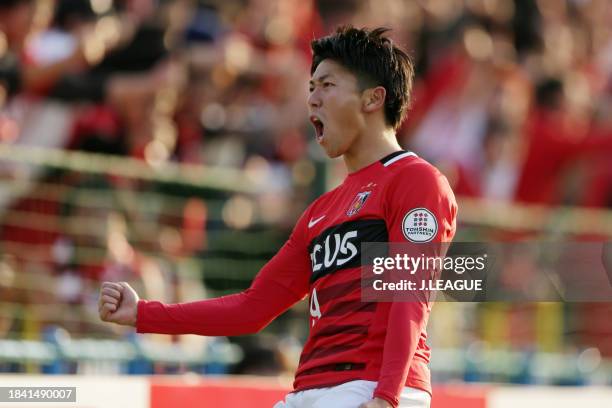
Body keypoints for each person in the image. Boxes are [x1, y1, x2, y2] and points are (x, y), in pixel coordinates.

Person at [99, 26, 457, 408]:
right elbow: (252, 309)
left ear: (373, 98)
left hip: (373, 387)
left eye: (327, 86)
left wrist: (387, 398)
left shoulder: (416, 180)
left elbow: (410, 294)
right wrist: (142, 314)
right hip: (311, 390)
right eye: (310, 89)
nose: (312, 101)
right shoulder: (320, 212)